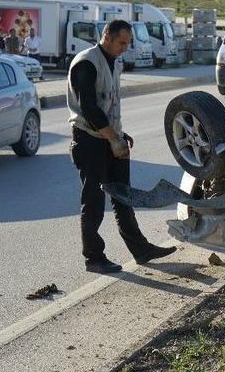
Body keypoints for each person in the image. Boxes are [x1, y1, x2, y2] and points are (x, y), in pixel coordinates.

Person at [67, 19, 176, 274]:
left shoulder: (114, 62)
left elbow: (108, 105)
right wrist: (113, 139)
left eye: (128, 43)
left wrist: (119, 134)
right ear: (107, 36)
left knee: (122, 196)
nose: (125, 48)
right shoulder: (86, 63)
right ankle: (94, 258)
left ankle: (141, 250)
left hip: (108, 137)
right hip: (89, 141)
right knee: (93, 201)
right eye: (122, 42)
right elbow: (90, 109)